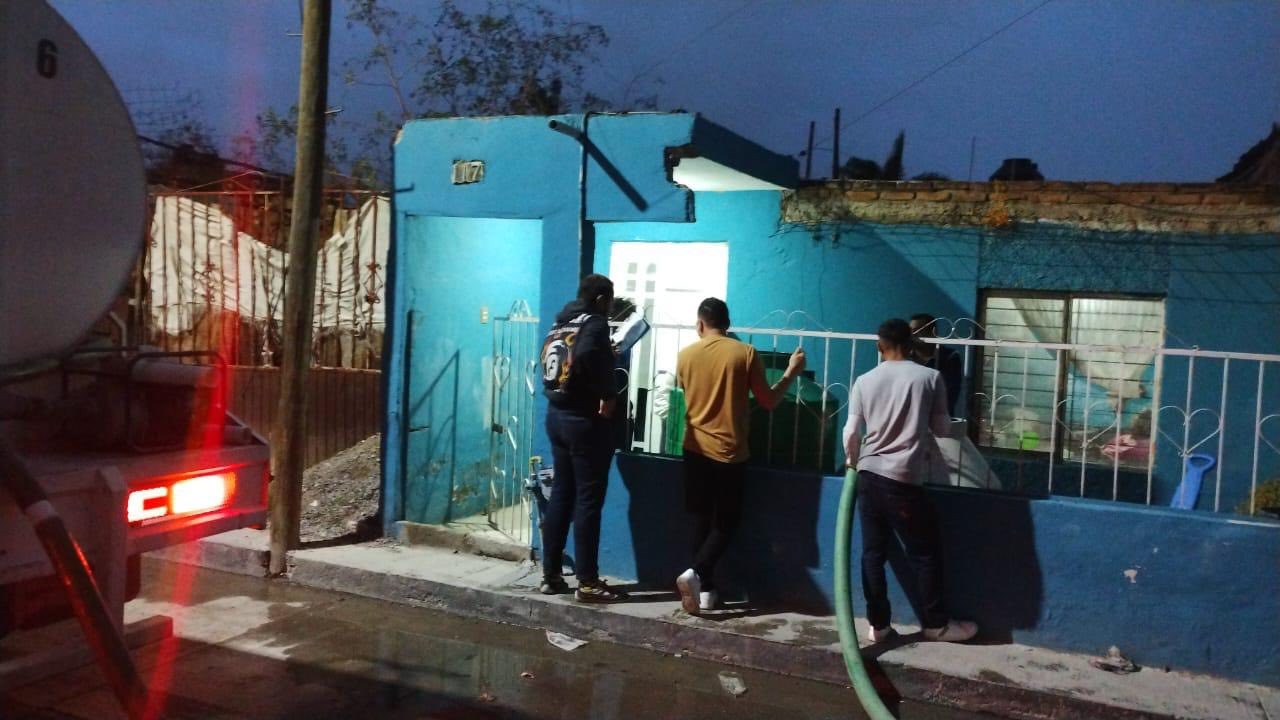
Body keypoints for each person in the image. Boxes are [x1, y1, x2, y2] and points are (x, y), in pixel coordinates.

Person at [843, 318, 978, 643]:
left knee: (873, 553)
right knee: (924, 553)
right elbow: (942, 429)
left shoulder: (864, 380)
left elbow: (851, 432)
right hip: (902, 479)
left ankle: (878, 625)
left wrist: (852, 462)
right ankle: (936, 624)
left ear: (880, 346)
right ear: (912, 344)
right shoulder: (929, 378)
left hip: (867, 476)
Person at [674, 298, 805, 615]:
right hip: (728, 452)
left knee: (701, 519)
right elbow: (768, 400)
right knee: (726, 522)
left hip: (693, 448)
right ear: (728, 325)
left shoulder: (686, 354)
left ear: (700, 324)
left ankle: (706, 592)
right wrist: (791, 372)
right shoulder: (744, 353)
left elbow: (684, 390)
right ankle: (697, 573)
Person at [539, 274, 628, 603]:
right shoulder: (594, 323)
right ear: (601, 299)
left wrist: (603, 356)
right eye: (610, 302)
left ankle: (551, 575)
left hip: (556, 416)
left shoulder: (561, 322)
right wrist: (608, 393)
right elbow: (589, 354)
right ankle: (588, 582)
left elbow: (570, 357)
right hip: (583, 421)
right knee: (588, 501)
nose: (611, 308)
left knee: (562, 495)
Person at [909, 313, 962, 417]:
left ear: (932, 332)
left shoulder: (949, 357)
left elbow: (949, 394)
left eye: (917, 331)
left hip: (937, 419)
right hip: (909, 418)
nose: (912, 335)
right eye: (910, 331)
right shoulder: (905, 356)